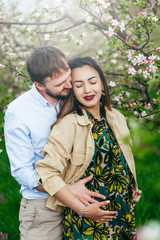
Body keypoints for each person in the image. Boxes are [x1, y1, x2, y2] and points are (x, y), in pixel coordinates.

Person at [4, 47, 114, 240]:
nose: (70, 85)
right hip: (44, 207)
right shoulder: (18, 112)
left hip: (85, 196)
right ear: (39, 85)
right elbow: (22, 171)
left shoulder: (72, 97)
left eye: (68, 77)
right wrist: (66, 190)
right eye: (60, 83)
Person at [36, 57, 142, 240]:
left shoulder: (116, 117)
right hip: (88, 222)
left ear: (102, 84)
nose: (87, 90)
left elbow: (123, 158)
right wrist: (83, 210)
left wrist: (133, 186)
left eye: (92, 82)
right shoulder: (68, 125)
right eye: (79, 85)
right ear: (72, 91)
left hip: (123, 215)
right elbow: (47, 174)